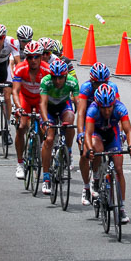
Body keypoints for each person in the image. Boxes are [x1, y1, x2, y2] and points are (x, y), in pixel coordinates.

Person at [85, 84, 131, 224]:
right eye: (103, 107)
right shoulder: (92, 110)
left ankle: (121, 208)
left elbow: (129, 131)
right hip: (97, 134)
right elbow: (88, 134)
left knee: (119, 169)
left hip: (112, 134)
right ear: (98, 105)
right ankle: (96, 178)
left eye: (109, 107)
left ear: (114, 103)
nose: (107, 111)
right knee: (98, 149)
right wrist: (90, 150)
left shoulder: (120, 108)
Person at [76, 62, 120, 205]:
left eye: (104, 82)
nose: (100, 85)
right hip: (91, 123)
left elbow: (118, 111)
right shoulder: (86, 88)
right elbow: (81, 113)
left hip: (106, 122)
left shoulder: (112, 88)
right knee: (86, 153)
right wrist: (80, 134)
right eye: (97, 83)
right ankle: (86, 187)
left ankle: (100, 180)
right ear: (92, 81)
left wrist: (122, 133)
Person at [11, 41, 51, 179]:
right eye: (29, 57)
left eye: (36, 57)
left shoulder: (47, 70)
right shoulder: (20, 68)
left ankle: (40, 151)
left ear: (41, 57)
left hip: (40, 100)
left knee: (43, 128)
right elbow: (15, 91)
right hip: (25, 99)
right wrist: (19, 108)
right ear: (26, 58)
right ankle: (20, 163)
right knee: (21, 126)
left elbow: (50, 93)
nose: (33, 60)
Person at [39, 59, 79, 195]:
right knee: (49, 139)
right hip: (49, 109)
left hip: (64, 106)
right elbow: (43, 104)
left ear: (66, 76)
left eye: (61, 77)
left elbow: (78, 103)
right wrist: (45, 121)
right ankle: (46, 178)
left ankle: (67, 150)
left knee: (70, 121)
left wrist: (81, 121)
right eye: (55, 77)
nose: (57, 81)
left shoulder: (72, 82)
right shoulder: (45, 81)